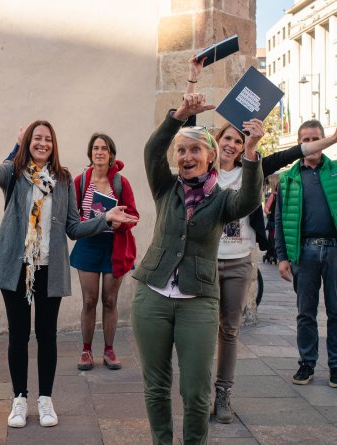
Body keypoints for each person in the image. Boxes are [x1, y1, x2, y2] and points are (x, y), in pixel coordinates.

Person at [0, 100, 137, 429]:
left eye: (47, 139)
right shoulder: (13, 173)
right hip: (15, 269)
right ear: (27, 144)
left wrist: (104, 219)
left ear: (53, 145)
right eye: (36, 138)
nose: (42, 143)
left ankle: (45, 399)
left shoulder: (64, 179)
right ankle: (18, 399)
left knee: (46, 336)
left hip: (48, 269)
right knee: (17, 337)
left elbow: (73, 227)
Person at [130, 92, 263, 444]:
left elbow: (249, 200)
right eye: (182, 151)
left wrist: (250, 152)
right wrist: (178, 116)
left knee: (195, 390)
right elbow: (151, 151)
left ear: (210, 157)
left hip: (198, 300)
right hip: (152, 296)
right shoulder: (165, 187)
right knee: (156, 385)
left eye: (194, 150)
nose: (186, 157)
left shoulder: (222, 199)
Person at [212, 117, 337, 422]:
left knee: (230, 330)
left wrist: (333, 139)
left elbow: (289, 153)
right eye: (226, 139)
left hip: (245, 258)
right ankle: (202, 394)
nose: (231, 145)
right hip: (211, 260)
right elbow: (177, 144)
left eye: (238, 141)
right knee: (204, 331)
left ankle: (223, 394)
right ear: (215, 141)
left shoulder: (254, 171)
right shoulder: (205, 170)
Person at [275, 120, 337, 389]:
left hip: (335, 250)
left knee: (336, 311)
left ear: (323, 140)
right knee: (306, 313)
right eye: (306, 139)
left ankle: (335, 366)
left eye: (316, 138)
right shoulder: (289, 178)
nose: (311, 143)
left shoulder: (335, 171)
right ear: (299, 143)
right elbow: (279, 220)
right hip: (304, 251)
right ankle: (307, 363)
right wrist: (281, 257)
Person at [71, 133, 138, 371]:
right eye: (96, 148)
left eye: (104, 149)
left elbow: (133, 215)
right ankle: (86, 350)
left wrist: (122, 223)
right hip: (88, 246)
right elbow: (72, 217)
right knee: (89, 301)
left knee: (110, 301)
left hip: (114, 248)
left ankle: (109, 350)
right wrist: (86, 220)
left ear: (111, 154)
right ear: (90, 153)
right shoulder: (80, 181)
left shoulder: (121, 183)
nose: (100, 152)